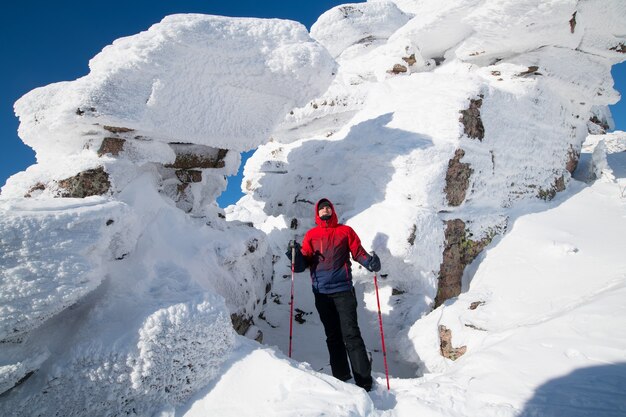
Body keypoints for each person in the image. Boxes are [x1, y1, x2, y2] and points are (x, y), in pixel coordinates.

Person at [286, 198, 381, 391]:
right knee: (333, 336)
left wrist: (370, 262)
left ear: (333, 210)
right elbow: (302, 265)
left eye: (328, 207)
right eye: (322, 208)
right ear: (317, 213)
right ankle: (342, 379)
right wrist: (294, 255)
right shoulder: (311, 236)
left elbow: (358, 252)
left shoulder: (345, 231)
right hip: (321, 294)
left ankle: (364, 381)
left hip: (344, 290)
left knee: (351, 335)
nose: (325, 210)